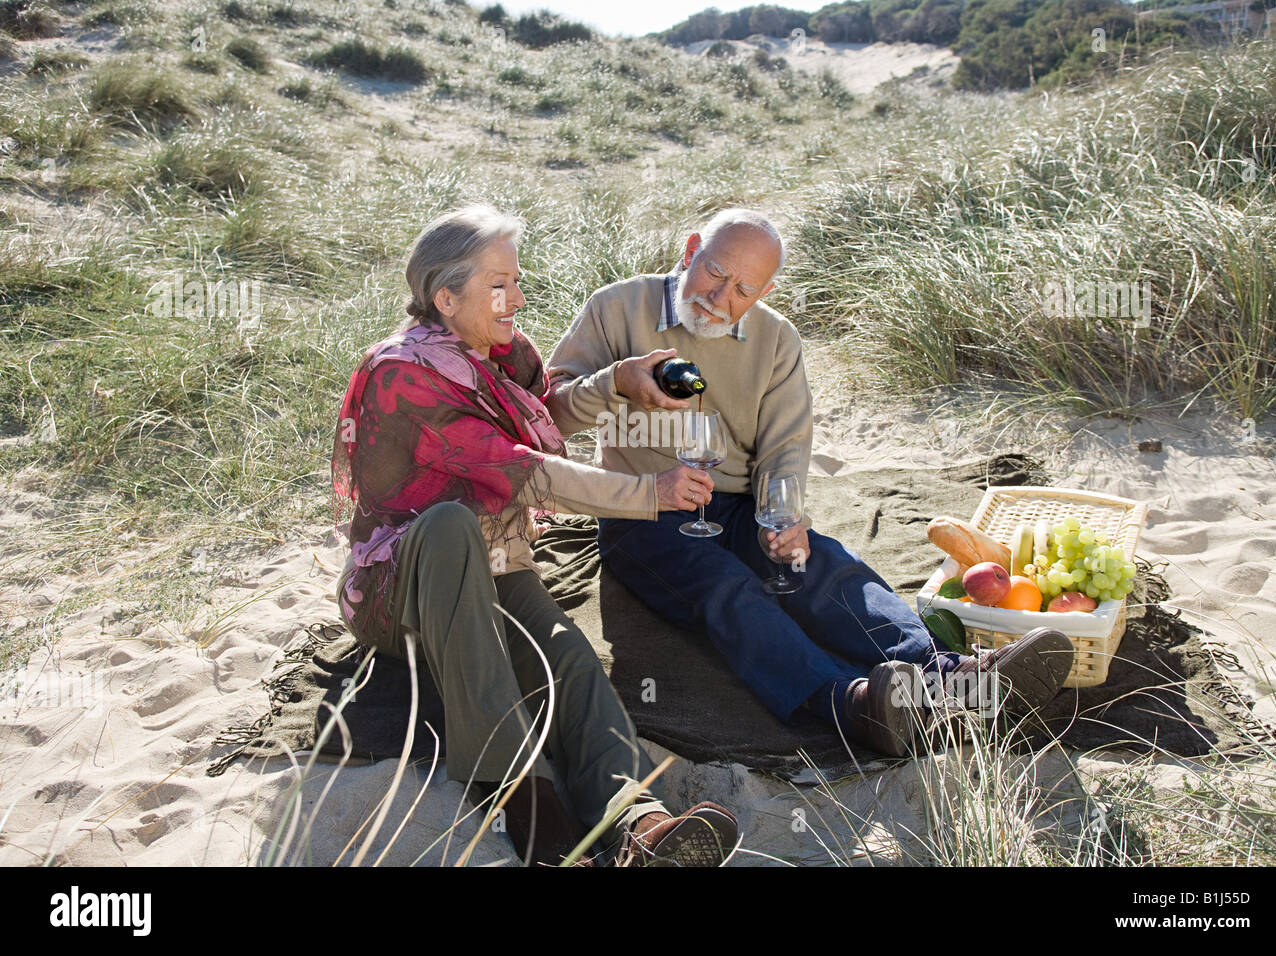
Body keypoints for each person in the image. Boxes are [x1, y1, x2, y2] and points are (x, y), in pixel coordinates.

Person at [544, 208, 1074, 756]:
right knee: (730, 590)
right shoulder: (616, 307)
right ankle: (856, 705)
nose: (721, 297)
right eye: (716, 273)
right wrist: (617, 383)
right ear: (691, 249)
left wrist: (786, 518)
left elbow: (784, 447)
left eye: (744, 289)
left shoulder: (776, 339)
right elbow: (550, 415)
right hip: (643, 509)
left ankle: (952, 677)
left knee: (820, 567)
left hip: (738, 505)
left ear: (765, 291)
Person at [330, 204, 738, 866]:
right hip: (403, 586)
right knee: (448, 524)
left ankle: (638, 820)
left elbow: (537, 419)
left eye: (517, 280)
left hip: (494, 564)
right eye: (501, 284)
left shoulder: (501, 354)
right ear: (446, 296)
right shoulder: (400, 375)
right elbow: (519, 472)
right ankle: (530, 805)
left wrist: (619, 383)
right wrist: (648, 496)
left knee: (569, 662)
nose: (518, 298)